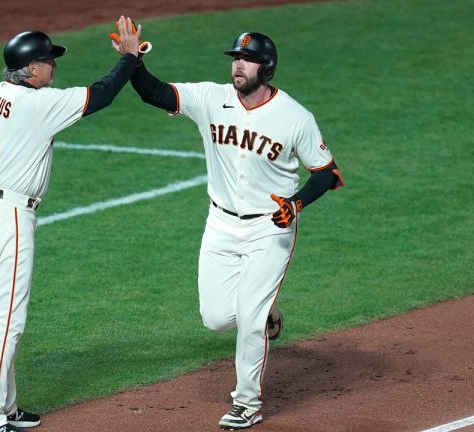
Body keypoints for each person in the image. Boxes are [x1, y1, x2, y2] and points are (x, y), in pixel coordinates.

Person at [127, 31, 343, 429]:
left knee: (249, 317)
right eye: (235, 58)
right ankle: (269, 313)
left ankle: (247, 402)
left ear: (268, 67)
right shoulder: (212, 97)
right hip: (220, 224)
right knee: (215, 317)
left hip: (269, 228)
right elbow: (155, 93)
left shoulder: (295, 117)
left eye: (247, 59)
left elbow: (326, 173)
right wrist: (133, 61)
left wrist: (295, 204)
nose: (238, 66)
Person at [0, 18, 141, 432]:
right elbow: (102, 94)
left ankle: (5, 406)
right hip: (9, 219)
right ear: (32, 68)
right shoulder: (39, 104)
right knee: (7, 323)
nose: (53, 67)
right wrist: (131, 57)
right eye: (48, 61)